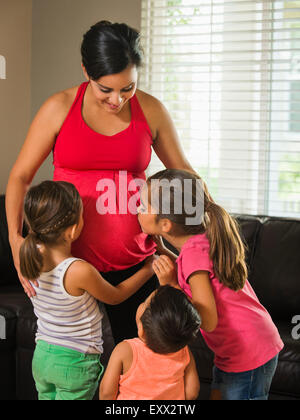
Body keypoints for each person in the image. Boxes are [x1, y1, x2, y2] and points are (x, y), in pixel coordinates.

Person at [6, 20, 194, 344]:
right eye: (105, 89)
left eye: (128, 88)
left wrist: (200, 242)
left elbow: (185, 179)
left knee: (141, 362)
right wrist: (14, 239)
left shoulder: (151, 111)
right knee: (77, 368)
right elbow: (20, 177)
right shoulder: (58, 108)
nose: (117, 100)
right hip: (67, 266)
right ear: (85, 71)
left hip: (137, 265)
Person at [137, 169, 284, 401]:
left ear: (166, 224)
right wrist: (164, 251)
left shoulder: (194, 254)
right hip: (244, 346)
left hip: (247, 352)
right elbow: (199, 276)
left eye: (143, 207)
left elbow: (207, 318)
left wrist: (170, 285)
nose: (137, 211)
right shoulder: (199, 243)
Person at [20, 180, 155, 400]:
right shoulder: (78, 270)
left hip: (43, 355)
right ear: (73, 231)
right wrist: (148, 270)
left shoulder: (29, 255)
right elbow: (116, 296)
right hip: (74, 362)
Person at [99, 285, 201, 400]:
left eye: (144, 303)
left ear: (141, 330)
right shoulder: (184, 351)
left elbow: (106, 393)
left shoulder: (125, 349)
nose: (141, 304)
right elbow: (192, 391)